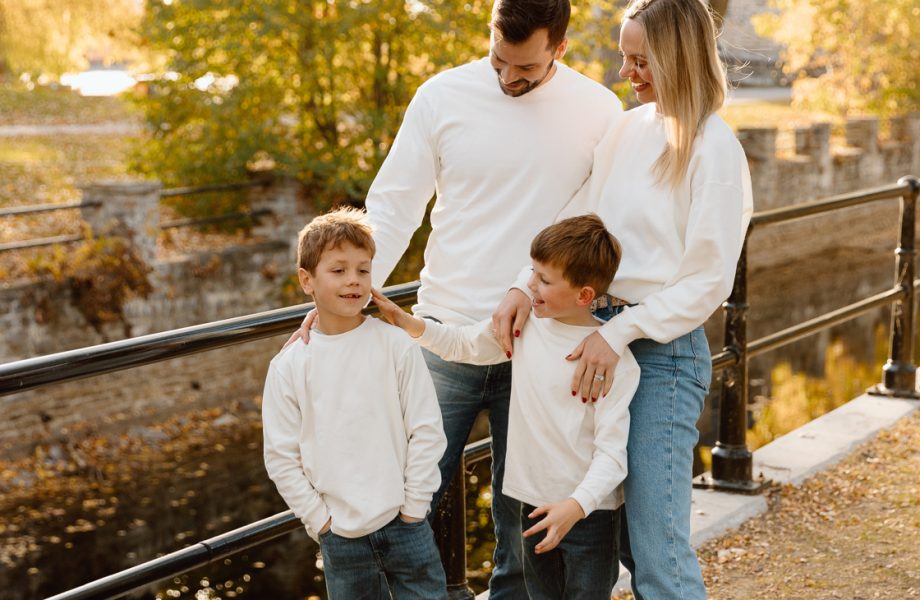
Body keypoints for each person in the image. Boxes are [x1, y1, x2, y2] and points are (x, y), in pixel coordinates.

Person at [288, 1, 623, 594]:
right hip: (441, 334)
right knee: (403, 495)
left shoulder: (600, 111)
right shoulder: (442, 96)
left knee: (525, 508)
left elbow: (590, 222)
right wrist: (341, 297)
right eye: (499, 60)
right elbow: (392, 206)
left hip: (543, 341)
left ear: (561, 49)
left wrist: (525, 284)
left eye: (525, 68)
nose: (507, 78)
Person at [493, 0, 754, 598]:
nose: (625, 73)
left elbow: (708, 283)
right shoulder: (629, 130)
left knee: (654, 551)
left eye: (640, 61)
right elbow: (571, 222)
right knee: (599, 532)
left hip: (658, 352)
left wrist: (617, 335)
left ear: (678, 58)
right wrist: (518, 283)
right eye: (624, 57)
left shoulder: (714, 150)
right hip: (588, 333)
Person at [373, 214, 640, 600]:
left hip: (587, 516)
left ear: (584, 295)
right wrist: (407, 323)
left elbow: (613, 456)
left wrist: (576, 506)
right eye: (532, 272)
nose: (529, 284)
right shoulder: (526, 326)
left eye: (544, 280)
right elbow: (462, 344)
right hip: (530, 504)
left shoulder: (613, 360)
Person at [262, 207, 448, 600]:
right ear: (306, 281)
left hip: (405, 524)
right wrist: (321, 521)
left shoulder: (395, 345)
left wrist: (415, 507)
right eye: (339, 270)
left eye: (363, 270)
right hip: (341, 538)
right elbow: (281, 457)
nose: (353, 281)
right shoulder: (289, 367)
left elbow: (426, 429)